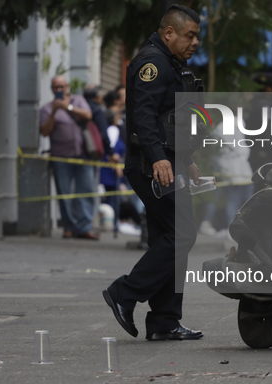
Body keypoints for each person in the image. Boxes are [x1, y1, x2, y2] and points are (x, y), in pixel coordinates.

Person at [103, 4, 204, 341]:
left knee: (169, 238)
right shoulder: (153, 64)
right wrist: (160, 159)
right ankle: (124, 292)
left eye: (197, 36)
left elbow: (170, 119)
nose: (195, 42)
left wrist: (185, 159)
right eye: (189, 35)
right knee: (183, 234)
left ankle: (164, 322)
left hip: (167, 162)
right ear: (169, 32)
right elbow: (144, 117)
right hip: (151, 165)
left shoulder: (173, 64)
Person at [39, 76, 100, 240]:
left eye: (61, 87)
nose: (59, 90)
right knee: (64, 193)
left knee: (86, 190)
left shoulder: (78, 100)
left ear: (67, 87)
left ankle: (85, 227)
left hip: (82, 154)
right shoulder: (46, 108)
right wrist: (54, 111)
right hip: (61, 157)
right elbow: (44, 131)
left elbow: (88, 115)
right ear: (52, 89)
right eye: (55, 88)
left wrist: (68, 107)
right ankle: (68, 227)